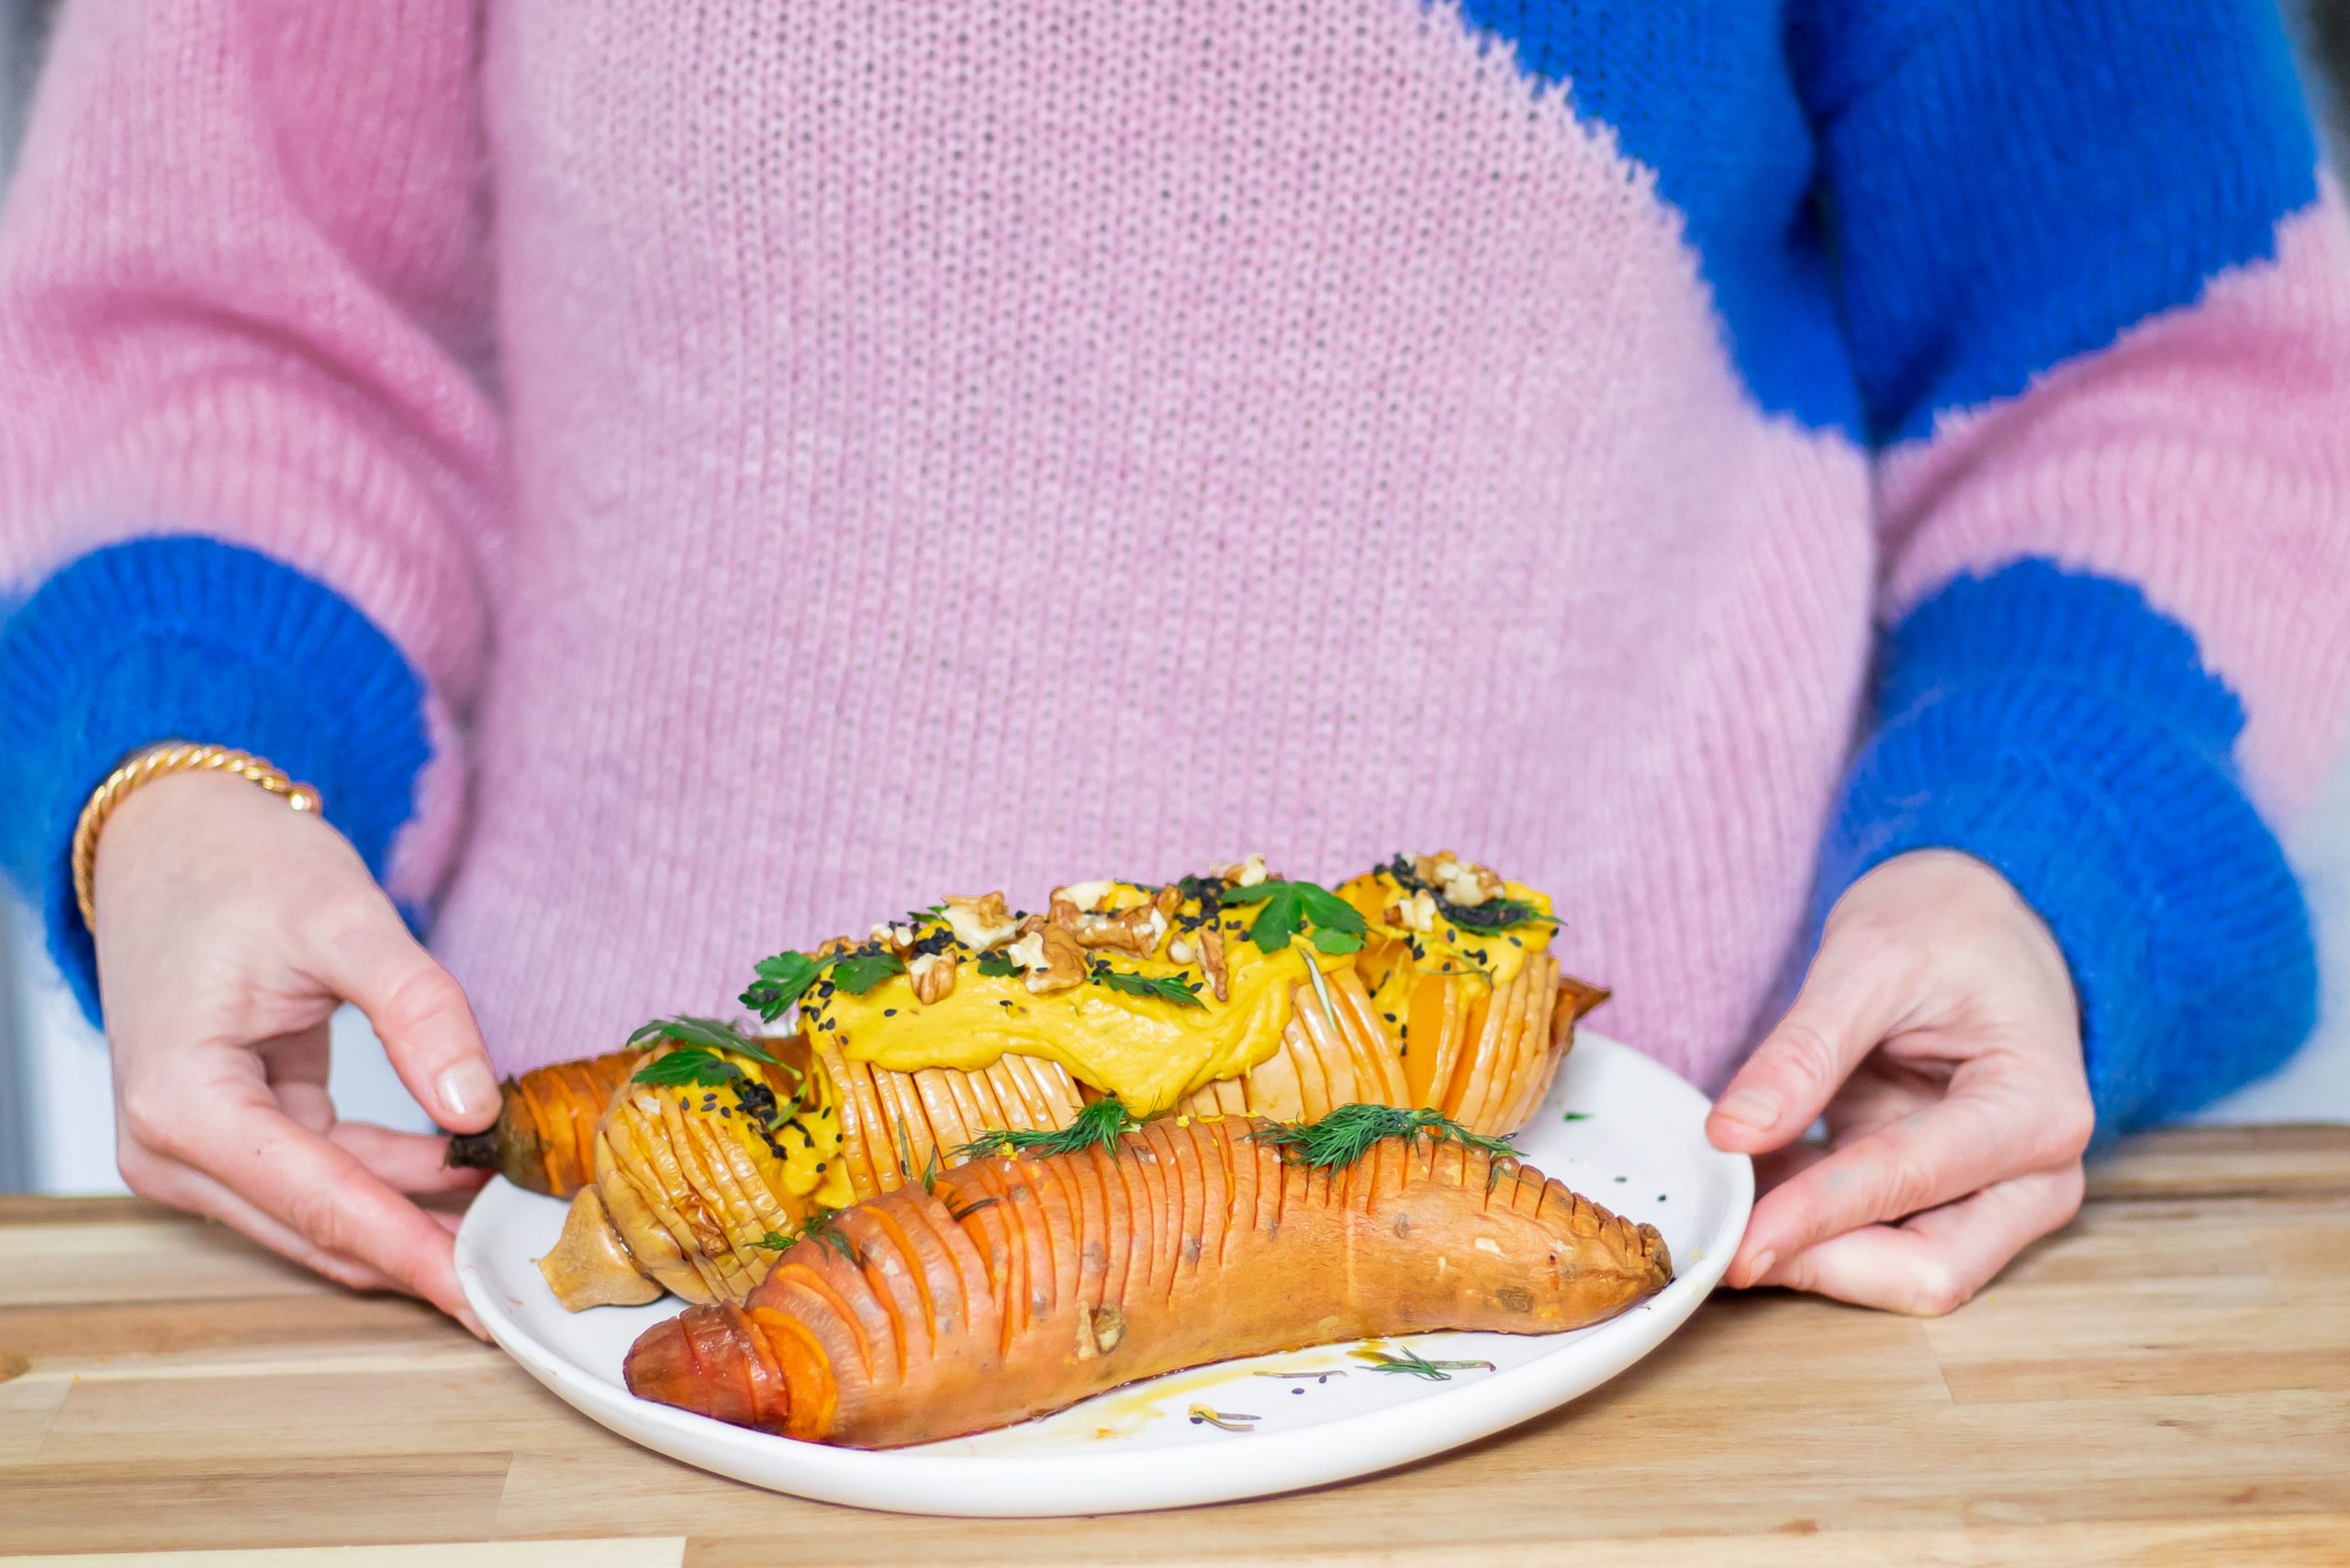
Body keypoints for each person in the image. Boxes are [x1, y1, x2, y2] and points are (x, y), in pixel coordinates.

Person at [1, 2, 2344, 1333]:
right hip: (600, 1327)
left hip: (1645, 1310)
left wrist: (2037, 847)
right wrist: (187, 774)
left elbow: (2150, 366)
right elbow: (234, 328)